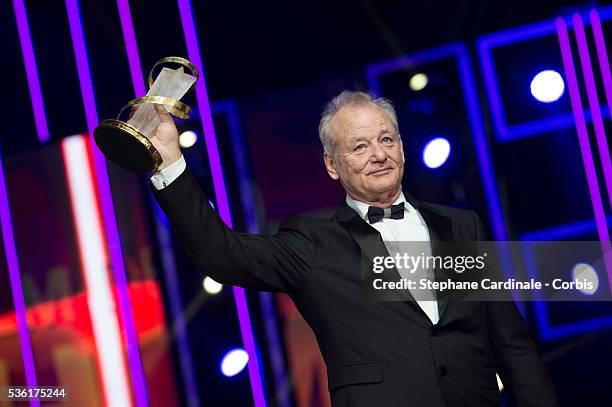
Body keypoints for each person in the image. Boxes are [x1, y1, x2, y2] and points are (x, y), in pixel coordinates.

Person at [147, 91, 559, 407]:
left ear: (401, 146)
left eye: (386, 139)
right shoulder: (312, 240)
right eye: (360, 146)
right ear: (332, 165)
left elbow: (512, 343)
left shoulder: (460, 225)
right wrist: (169, 162)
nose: (379, 154)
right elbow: (223, 255)